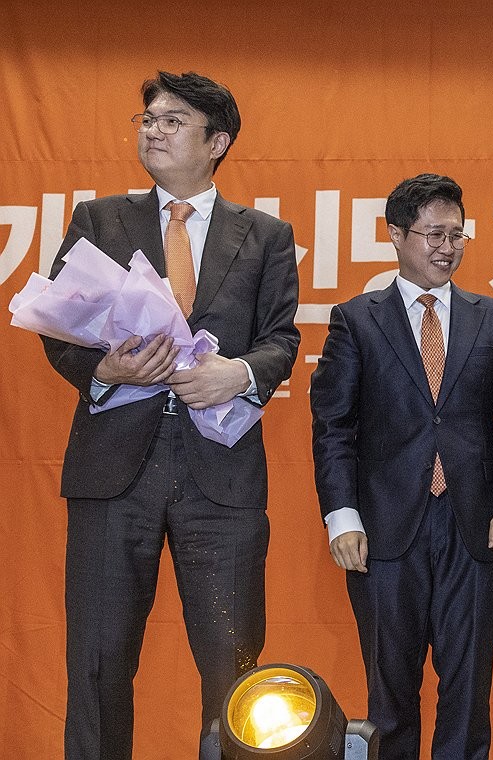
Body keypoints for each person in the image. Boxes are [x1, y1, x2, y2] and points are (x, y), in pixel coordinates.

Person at [41, 71, 300, 760]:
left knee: (233, 666)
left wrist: (238, 374)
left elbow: (282, 338)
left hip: (220, 479)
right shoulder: (100, 220)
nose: (153, 130)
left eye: (173, 120)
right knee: (97, 662)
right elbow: (59, 327)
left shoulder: (265, 235)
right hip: (112, 474)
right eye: (148, 119)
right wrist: (104, 371)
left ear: (217, 142)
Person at [310, 173, 493, 759]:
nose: (447, 248)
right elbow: (333, 428)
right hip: (385, 531)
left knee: (469, 690)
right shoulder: (356, 320)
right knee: (390, 694)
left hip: (474, 529)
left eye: (457, 235)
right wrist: (342, 517)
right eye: (434, 234)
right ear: (396, 235)